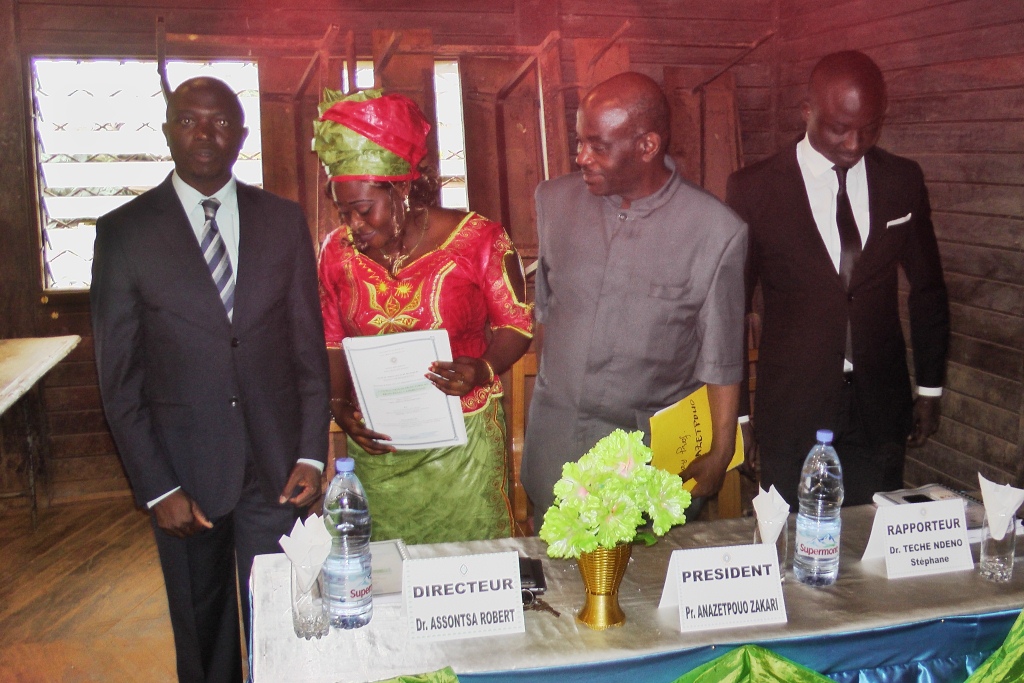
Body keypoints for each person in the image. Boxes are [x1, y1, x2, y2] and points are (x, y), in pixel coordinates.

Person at [91, 77, 330, 683]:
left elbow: (307, 348)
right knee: (203, 632)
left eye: (220, 122)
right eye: (188, 120)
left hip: (278, 471)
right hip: (184, 478)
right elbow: (120, 380)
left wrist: (310, 452)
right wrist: (156, 488)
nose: (204, 134)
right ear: (167, 130)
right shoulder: (124, 232)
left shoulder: (282, 220)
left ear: (241, 136)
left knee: (287, 621)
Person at [521, 72, 748, 530]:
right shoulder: (555, 202)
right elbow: (547, 313)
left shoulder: (715, 231)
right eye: (579, 141)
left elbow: (721, 356)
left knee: (644, 571)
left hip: (644, 458)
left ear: (647, 146)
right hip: (556, 447)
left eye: (598, 146)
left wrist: (721, 450)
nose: (581, 157)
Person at [727, 50, 949, 507]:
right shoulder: (754, 189)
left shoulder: (902, 181)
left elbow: (928, 289)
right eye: (839, 128)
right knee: (791, 538)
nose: (854, 143)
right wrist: (740, 417)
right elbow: (732, 308)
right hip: (792, 409)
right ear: (806, 111)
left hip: (880, 407)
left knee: (872, 535)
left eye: (869, 128)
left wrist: (930, 389)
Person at [313, 89, 533, 544]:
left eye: (363, 210)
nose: (353, 225)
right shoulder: (336, 253)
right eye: (343, 212)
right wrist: (338, 404)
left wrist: (483, 368)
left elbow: (516, 324)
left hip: (463, 446)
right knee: (384, 568)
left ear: (402, 189)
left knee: (470, 564)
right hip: (379, 444)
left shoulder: (477, 239)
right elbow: (332, 337)